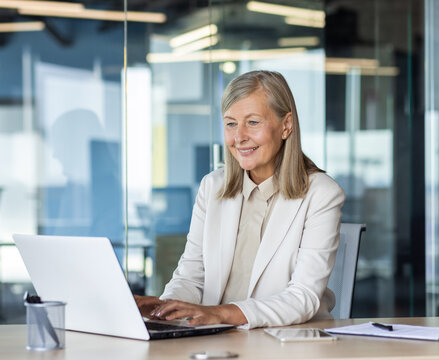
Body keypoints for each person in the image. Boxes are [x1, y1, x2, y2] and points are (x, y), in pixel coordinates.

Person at [135, 70, 345, 329]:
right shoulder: (212, 188)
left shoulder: (322, 193)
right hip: (219, 338)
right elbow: (191, 278)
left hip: (289, 342)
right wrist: (164, 308)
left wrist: (222, 314)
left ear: (286, 126)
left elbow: (303, 297)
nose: (239, 137)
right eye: (231, 123)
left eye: (253, 122)